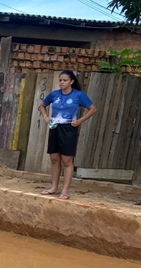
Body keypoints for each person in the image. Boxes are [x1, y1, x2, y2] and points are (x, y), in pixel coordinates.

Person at [38, 70, 97, 200]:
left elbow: (93, 109)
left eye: (65, 80)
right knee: (54, 158)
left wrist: (80, 121)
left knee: (67, 160)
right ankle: (54, 187)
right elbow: (42, 105)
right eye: (60, 80)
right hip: (55, 127)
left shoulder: (79, 95)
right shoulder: (54, 94)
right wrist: (46, 116)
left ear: (71, 81)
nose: (62, 82)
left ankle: (65, 190)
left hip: (69, 129)